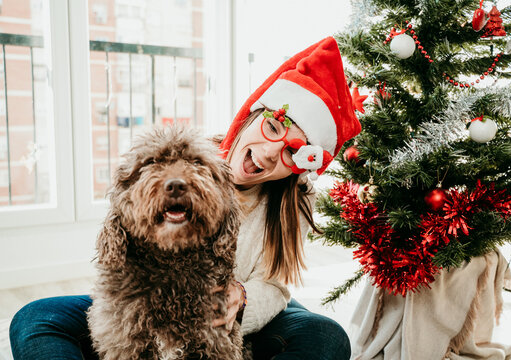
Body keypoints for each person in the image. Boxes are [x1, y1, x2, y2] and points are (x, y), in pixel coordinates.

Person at [9, 36, 361, 360]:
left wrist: (242, 299)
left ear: (302, 167)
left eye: (290, 153)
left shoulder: (293, 201)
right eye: (272, 128)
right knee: (35, 318)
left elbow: (275, 283)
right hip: (148, 289)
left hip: (234, 304)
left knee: (327, 337)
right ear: (253, 116)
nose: (270, 153)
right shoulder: (193, 153)